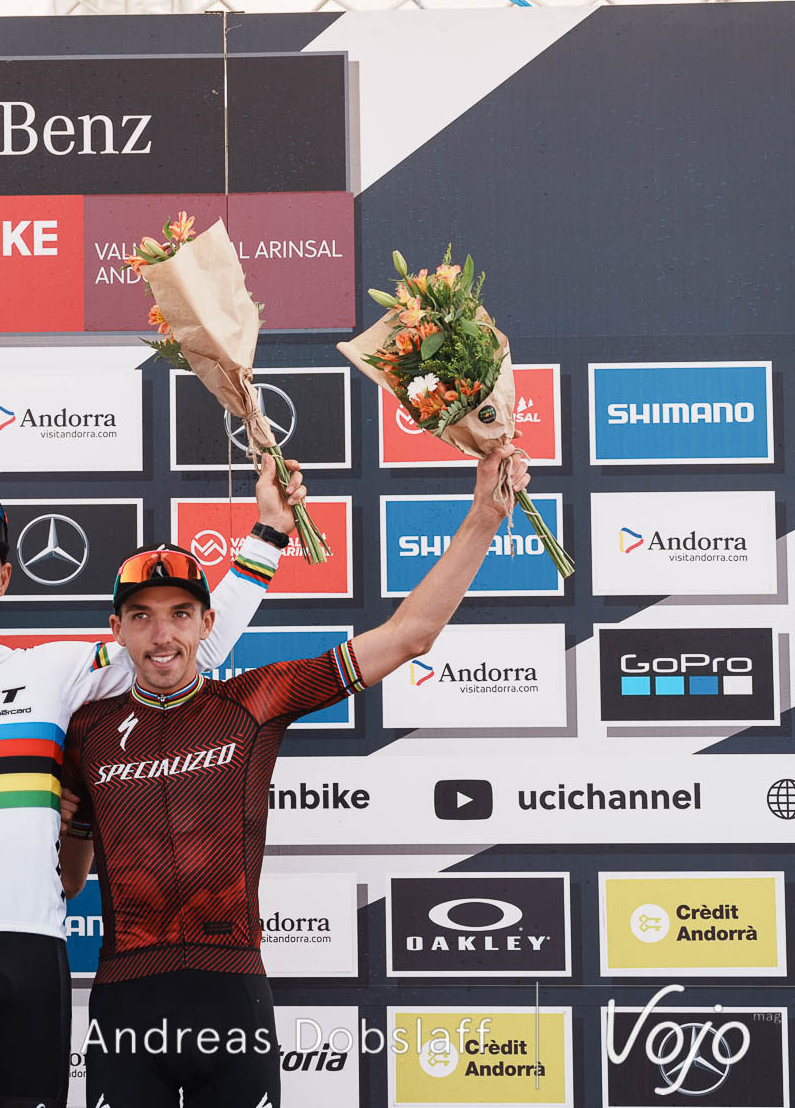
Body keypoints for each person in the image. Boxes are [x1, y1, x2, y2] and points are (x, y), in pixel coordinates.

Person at [64, 447, 531, 1106]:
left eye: (180, 613)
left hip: (231, 996)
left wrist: (484, 516)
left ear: (207, 622)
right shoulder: (85, 730)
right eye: (141, 615)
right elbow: (69, 879)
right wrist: (54, 820)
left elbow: (410, 635)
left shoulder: (254, 702)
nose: (161, 634)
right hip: (125, 1002)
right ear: (117, 629)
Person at [0, 463, 303, 1108]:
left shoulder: (54, 670)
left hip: (30, 957)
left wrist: (269, 533)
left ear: (5, 577)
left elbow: (190, 647)